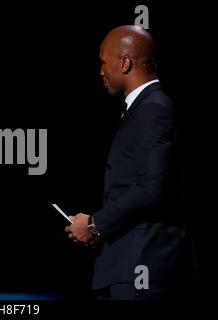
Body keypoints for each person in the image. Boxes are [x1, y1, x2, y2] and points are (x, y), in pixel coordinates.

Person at [65, 25, 191, 299]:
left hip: (142, 264)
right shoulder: (143, 108)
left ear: (124, 63)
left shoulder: (153, 108)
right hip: (125, 263)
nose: (100, 71)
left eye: (102, 62)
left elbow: (151, 187)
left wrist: (95, 223)